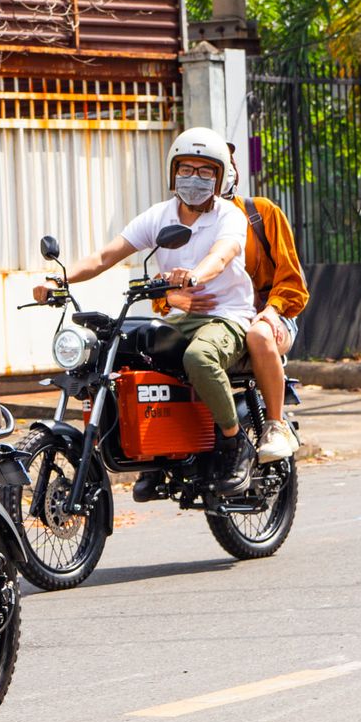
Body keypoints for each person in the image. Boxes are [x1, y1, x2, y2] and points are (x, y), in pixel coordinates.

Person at [32, 126, 257, 495]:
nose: (194, 178)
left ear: (219, 178)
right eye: (187, 169)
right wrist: (60, 279)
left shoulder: (227, 217)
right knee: (124, 354)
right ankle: (154, 452)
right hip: (179, 317)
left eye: (205, 172)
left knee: (200, 359)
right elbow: (106, 256)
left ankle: (233, 444)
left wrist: (194, 276)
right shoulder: (160, 215)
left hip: (226, 315)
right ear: (173, 172)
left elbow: (222, 255)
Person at [152, 150, 308, 462]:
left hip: (269, 317)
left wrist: (273, 310)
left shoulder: (261, 213)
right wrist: (170, 298)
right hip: (211, 320)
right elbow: (167, 280)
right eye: (191, 170)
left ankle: (275, 427)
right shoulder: (183, 220)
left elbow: (293, 280)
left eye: (211, 169)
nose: (198, 178)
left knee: (258, 336)